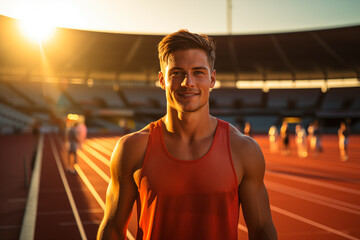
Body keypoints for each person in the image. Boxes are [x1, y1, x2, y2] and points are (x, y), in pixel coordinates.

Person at [97, 30, 277, 240]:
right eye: (177, 73)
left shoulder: (244, 150)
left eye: (198, 72)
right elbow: (112, 229)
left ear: (212, 79)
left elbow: (262, 229)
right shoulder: (132, 148)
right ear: (162, 80)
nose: (187, 82)